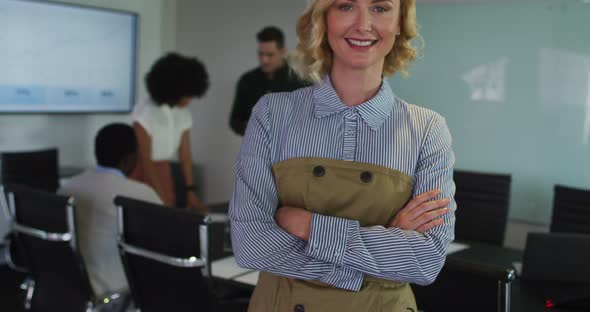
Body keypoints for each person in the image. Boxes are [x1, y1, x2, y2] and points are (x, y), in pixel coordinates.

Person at [229, 0, 457, 311]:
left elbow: (425, 261)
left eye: (380, 7)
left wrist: (310, 226)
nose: (363, 24)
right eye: (346, 6)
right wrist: (384, 247)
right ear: (324, 18)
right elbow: (250, 246)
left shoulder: (428, 130)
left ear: (399, 22)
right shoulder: (271, 114)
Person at [58, 123, 162, 296]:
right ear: (129, 159)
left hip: (70, 284)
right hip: (116, 288)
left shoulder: (67, 188)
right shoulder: (141, 193)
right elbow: (170, 241)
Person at [131, 53, 209, 211]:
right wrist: (161, 196)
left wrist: (190, 191)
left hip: (164, 171)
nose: (190, 100)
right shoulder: (144, 111)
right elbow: (145, 160)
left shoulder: (183, 111)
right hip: (142, 173)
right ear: (173, 90)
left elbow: (185, 156)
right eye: (187, 95)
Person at [229, 26, 308, 136]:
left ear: (282, 52)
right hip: (256, 149)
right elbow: (235, 121)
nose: (264, 60)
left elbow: (311, 120)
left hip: (293, 150)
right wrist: (253, 129)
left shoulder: (301, 81)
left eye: (270, 55)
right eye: (261, 54)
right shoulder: (247, 81)